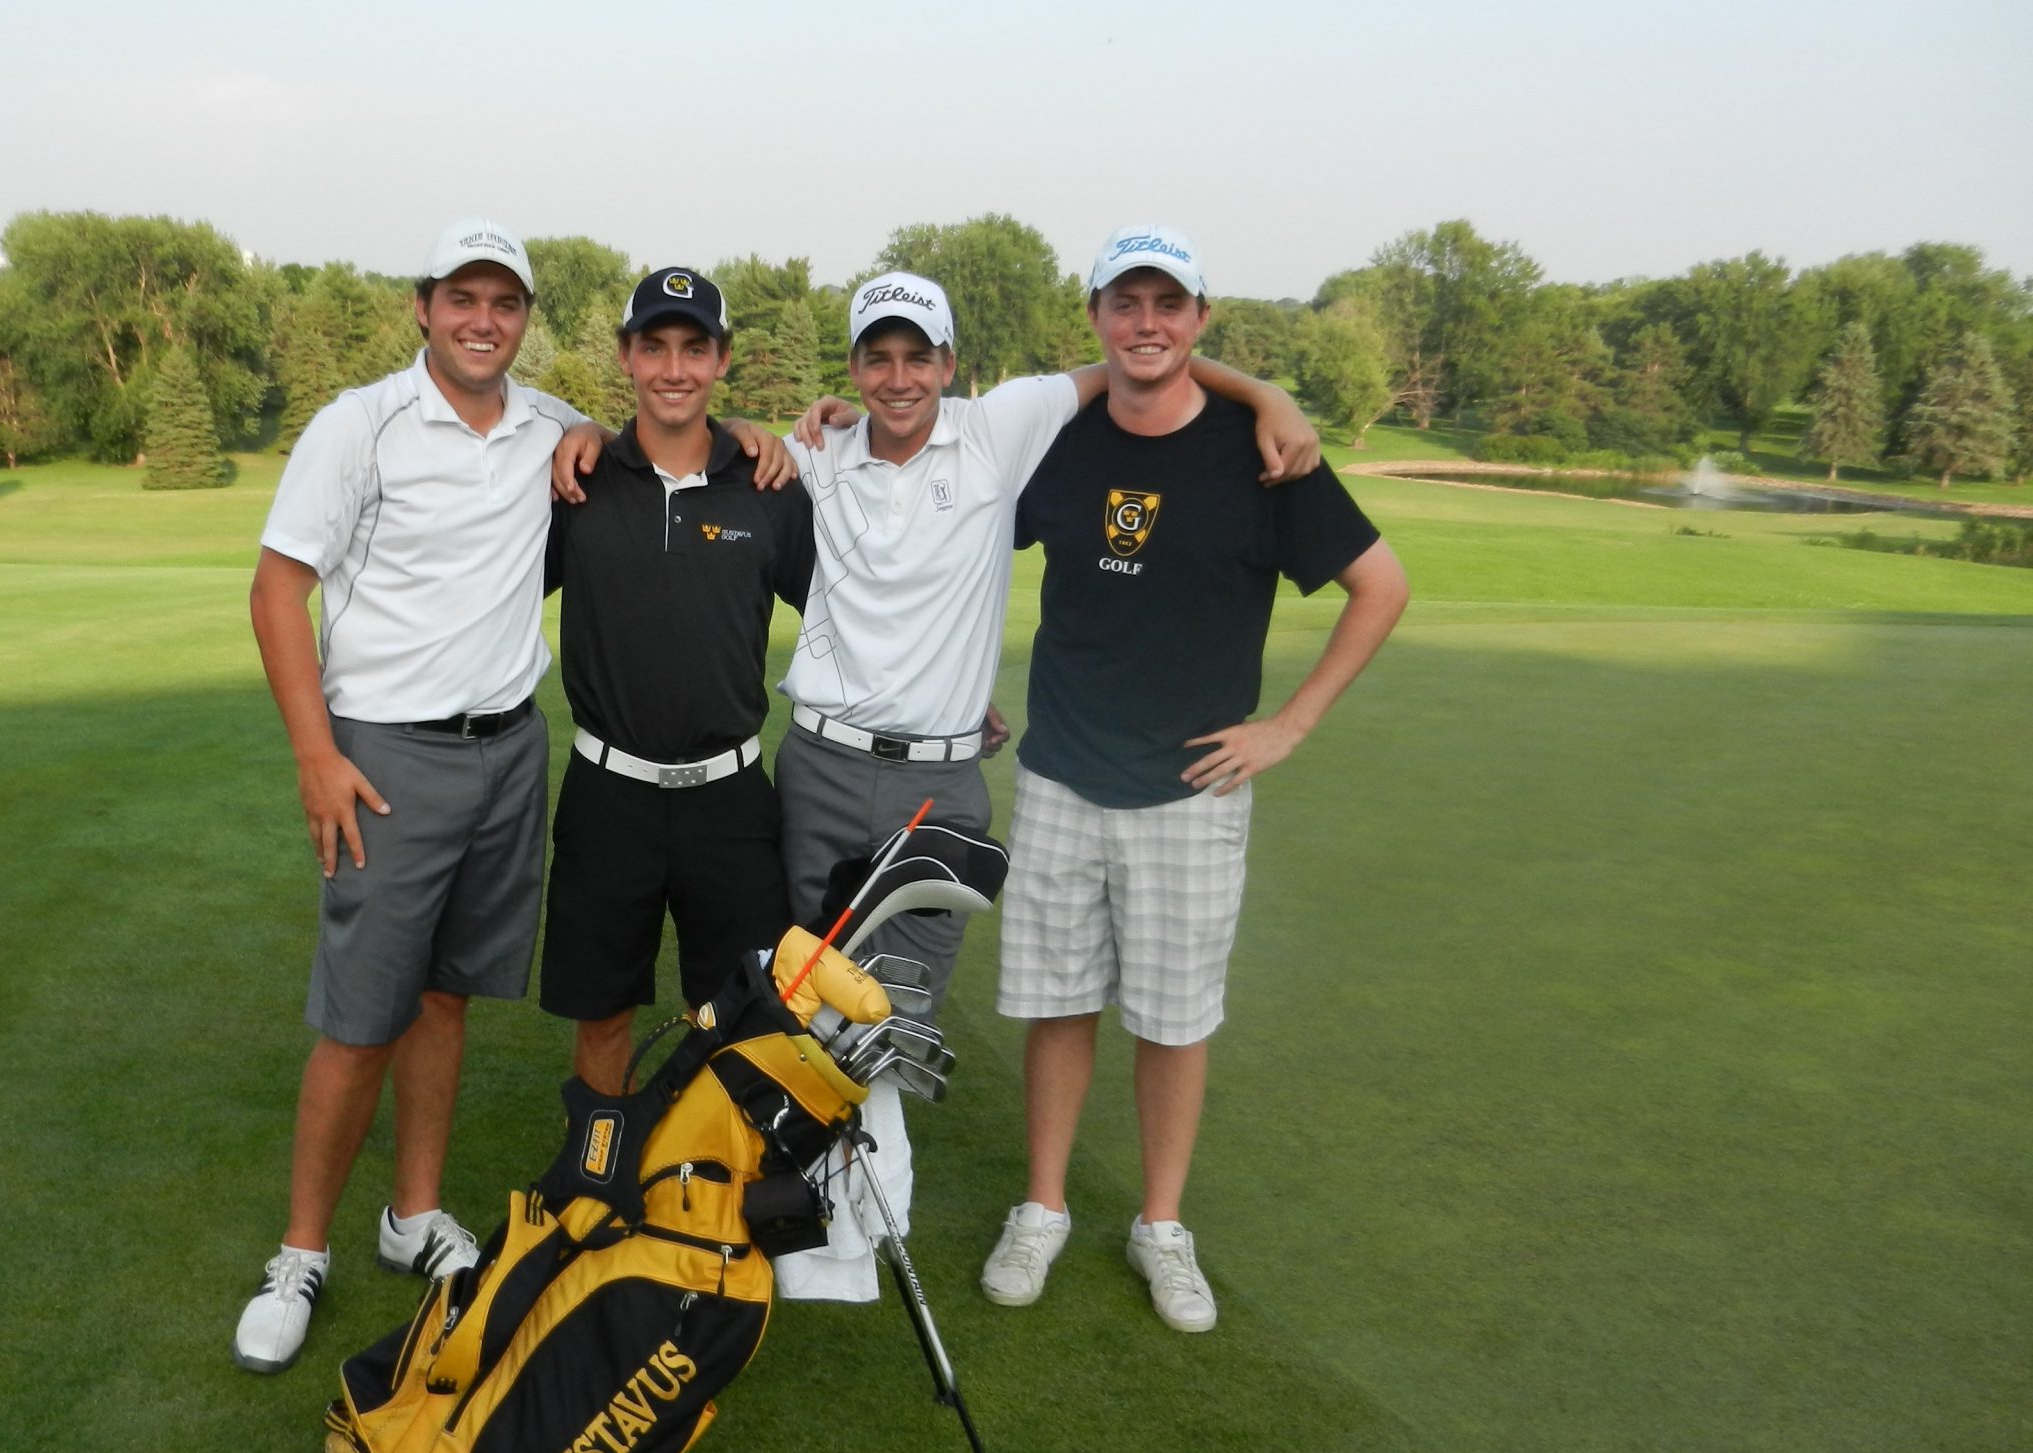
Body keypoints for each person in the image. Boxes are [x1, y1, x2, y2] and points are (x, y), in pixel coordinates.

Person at [232, 220, 789, 1373]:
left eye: (504, 302)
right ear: (425, 306)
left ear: (526, 318)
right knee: (359, 1015)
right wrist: (314, 753)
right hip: (384, 755)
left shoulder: (554, 433)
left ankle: (412, 1215)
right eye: (462, 299)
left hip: (507, 752)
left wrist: (766, 435)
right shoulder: (362, 424)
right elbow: (277, 586)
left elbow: (671, 456)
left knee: (445, 997)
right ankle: (299, 1252)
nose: (482, 319)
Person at [767, 272, 1323, 1301]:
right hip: (820, 759)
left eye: (916, 357)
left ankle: (864, 1212)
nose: (897, 378)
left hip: (937, 775)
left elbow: (1138, 353)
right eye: (875, 358)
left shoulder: (998, 425)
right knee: (806, 991)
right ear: (850, 368)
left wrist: (1263, 393)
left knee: (898, 1008)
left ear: (948, 363)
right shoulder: (812, 451)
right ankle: (809, 1208)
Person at [978, 224, 1409, 1335]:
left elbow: (1382, 586)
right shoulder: (1058, 439)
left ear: (1200, 317)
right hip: (1065, 772)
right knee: (1059, 1004)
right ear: (1097, 317)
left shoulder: (1264, 453)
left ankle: (1160, 1223)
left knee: (1172, 1021)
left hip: (1191, 789)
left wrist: (1289, 725)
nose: (1147, 323)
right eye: (1126, 303)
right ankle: (1043, 1205)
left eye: (1168, 304)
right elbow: (958, 530)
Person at [540, 268, 815, 1093]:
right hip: (607, 791)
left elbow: (845, 615)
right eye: (653, 347)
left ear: (722, 359)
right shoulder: (578, 483)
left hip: (730, 803)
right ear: (625, 356)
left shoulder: (768, 486)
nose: (673, 368)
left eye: (694, 348)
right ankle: (597, 1201)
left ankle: (712, 1206)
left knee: (735, 1014)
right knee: (604, 1012)